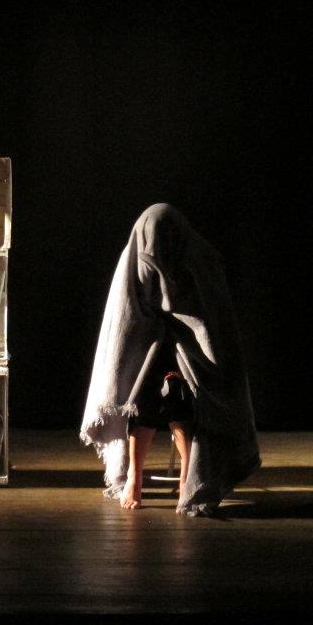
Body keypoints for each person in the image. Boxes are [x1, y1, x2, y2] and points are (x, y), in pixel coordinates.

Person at [80, 203, 260, 516]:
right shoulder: (134, 259)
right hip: (147, 340)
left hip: (193, 346)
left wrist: (185, 343)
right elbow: (128, 318)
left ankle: (190, 477)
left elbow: (208, 321)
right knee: (143, 396)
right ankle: (134, 476)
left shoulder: (199, 259)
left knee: (182, 399)